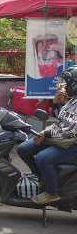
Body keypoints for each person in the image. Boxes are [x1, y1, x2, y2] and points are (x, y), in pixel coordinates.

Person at [18, 66, 77, 205]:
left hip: (72, 144)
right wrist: (56, 103)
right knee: (23, 149)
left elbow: (71, 131)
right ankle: (43, 177)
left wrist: (46, 133)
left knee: (42, 158)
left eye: (67, 83)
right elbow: (61, 121)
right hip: (60, 138)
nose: (63, 86)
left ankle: (52, 192)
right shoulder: (72, 100)